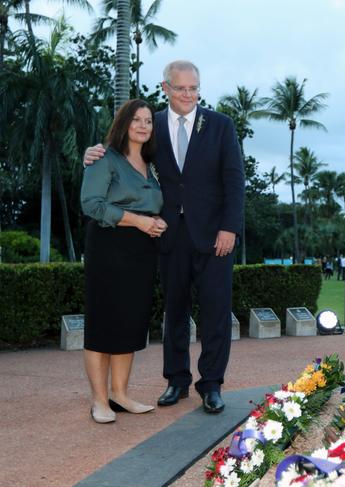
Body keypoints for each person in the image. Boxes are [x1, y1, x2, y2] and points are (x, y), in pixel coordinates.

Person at [84, 60, 245, 414]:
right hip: (168, 234)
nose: (188, 94)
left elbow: (234, 180)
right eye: (181, 88)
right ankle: (176, 380)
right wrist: (92, 153)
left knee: (216, 312)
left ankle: (212, 384)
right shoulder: (149, 125)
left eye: (194, 88)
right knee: (174, 312)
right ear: (166, 88)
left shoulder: (220, 125)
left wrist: (230, 227)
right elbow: (121, 157)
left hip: (216, 236)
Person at [81, 99, 166, 423]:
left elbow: (153, 206)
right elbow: (92, 204)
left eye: (148, 121)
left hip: (141, 251)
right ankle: (99, 401)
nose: (143, 126)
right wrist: (139, 221)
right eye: (137, 120)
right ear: (124, 124)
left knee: (129, 321)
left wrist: (156, 223)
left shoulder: (150, 163)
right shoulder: (104, 157)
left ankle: (120, 394)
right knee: (104, 322)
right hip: (109, 246)